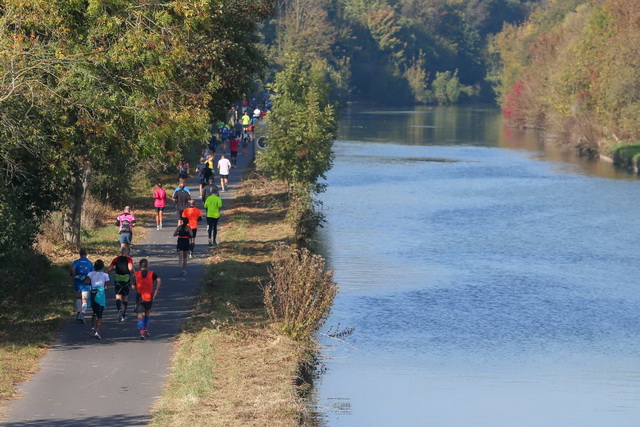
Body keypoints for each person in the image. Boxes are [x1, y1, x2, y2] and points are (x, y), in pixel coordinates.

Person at [132, 259, 161, 340]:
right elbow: (159, 279)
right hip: (149, 296)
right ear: (147, 265)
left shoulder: (136, 274)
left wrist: (134, 286)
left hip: (140, 296)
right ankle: (146, 328)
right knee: (147, 312)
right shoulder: (152, 273)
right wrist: (156, 290)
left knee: (139, 314)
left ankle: (141, 331)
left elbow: (133, 286)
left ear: (139, 266)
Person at [108, 247, 135, 321]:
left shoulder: (116, 259)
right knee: (125, 297)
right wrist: (134, 273)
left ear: (121, 252)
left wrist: (115, 269)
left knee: (118, 296)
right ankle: (123, 314)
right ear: (127, 252)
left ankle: (119, 309)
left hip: (118, 279)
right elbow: (130, 268)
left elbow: (109, 268)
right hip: (126, 279)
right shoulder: (129, 259)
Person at [87, 260, 109, 340]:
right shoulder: (105, 275)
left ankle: (92, 327)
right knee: (100, 315)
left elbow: (86, 281)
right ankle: (97, 331)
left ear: (94, 266)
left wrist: (90, 284)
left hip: (93, 293)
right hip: (101, 295)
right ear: (102, 267)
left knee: (94, 312)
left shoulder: (90, 274)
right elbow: (106, 287)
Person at [70, 248, 93, 323]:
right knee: (85, 299)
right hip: (86, 280)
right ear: (86, 254)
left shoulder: (76, 262)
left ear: (80, 254)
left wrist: (73, 275)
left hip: (77, 280)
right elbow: (92, 272)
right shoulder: (89, 263)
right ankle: (82, 314)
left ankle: (78, 311)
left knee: (78, 297)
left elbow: (72, 269)